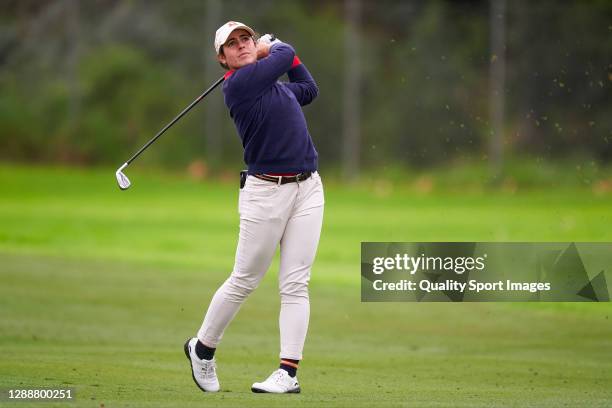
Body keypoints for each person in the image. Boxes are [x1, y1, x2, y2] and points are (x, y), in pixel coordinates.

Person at [184, 21, 324, 394]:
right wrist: (274, 46)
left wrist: (282, 51)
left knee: (296, 283)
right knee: (245, 279)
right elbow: (282, 54)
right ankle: (203, 347)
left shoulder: (274, 88)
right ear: (223, 59)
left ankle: (287, 373)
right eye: (233, 44)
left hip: (308, 188)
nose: (243, 45)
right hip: (265, 193)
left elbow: (308, 89)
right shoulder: (238, 87)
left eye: (246, 38)